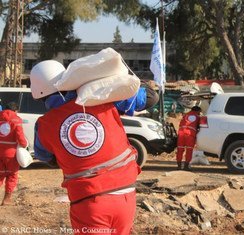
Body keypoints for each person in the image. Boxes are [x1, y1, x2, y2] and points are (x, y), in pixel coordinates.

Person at [30, 60, 140, 235]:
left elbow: (45, 157)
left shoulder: (44, 125)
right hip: (127, 195)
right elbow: (148, 97)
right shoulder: (100, 100)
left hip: (89, 202)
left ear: (38, 93)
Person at [0, 102, 28, 205]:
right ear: (15, 111)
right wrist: (24, 145)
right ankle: (6, 200)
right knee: (12, 175)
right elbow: (20, 136)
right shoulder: (16, 120)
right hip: (11, 154)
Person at [176, 106, 202, 171]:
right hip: (190, 134)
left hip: (181, 133)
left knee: (180, 149)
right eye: (199, 112)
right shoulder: (198, 117)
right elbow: (200, 126)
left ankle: (179, 166)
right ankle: (186, 166)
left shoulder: (185, 115)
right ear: (197, 111)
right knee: (189, 150)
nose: (200, 113)